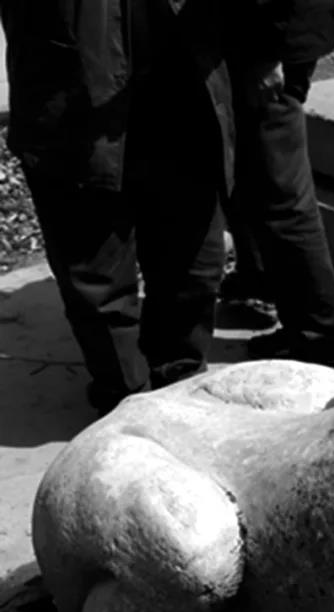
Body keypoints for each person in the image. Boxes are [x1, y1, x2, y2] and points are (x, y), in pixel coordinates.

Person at [1, 0, 233, 415]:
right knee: (96, 272)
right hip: (73, 100)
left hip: (182, 96)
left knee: (193, 261)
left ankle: (182, 386)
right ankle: (125, 405)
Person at [224, 0, 334, 367]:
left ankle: (319, 336)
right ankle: (259, 279)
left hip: (268, 37)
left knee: (279, 189)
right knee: (250, 163)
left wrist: (268, 52)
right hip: (267, 31)